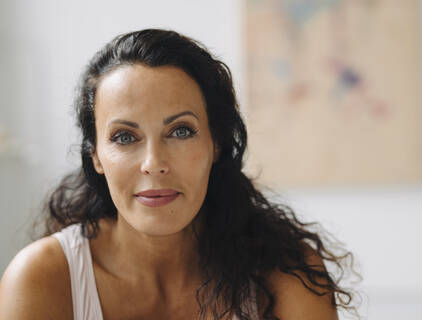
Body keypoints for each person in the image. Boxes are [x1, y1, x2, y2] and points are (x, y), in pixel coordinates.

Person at [0, 29, 359, 319]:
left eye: (181, 131)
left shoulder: (283, 272)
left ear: (216, 143)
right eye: (125, 137)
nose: (153, 162)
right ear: (95, 156)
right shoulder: (44, 278)